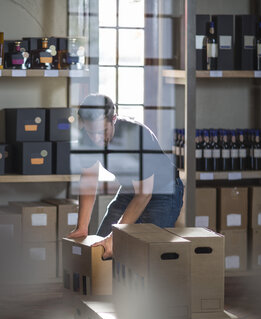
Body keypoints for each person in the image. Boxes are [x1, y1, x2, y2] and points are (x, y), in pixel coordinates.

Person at [67, 94, 184, 259]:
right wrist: (82, 227)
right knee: (100, 247)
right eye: (91, 132)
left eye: (102, 131)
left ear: (113, 119)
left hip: (163, 190)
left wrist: (115, 236)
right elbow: (89, 180)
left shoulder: (135, 136)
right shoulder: (87, 138)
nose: (96, 138)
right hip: (131, 188)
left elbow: (144, 194)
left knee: (154, 255)